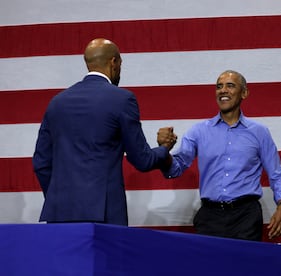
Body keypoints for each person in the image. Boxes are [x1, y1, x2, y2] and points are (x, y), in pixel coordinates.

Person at [33, 38, 177, 226]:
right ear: (114, 62)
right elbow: (142, 160)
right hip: (104, 214)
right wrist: (164, 148)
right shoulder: (121, 99)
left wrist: (59, 198)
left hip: (60, 214)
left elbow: (41, 163)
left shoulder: (57, 103)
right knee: (107, 257)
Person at [159, 70, 281, 241]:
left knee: (244, 268)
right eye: (219, 86)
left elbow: (276, 175)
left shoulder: (260, 133)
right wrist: (164, 151)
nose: (223, 90)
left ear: (244, 93)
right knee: (209, 268)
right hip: (209, 218)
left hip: (246, 217)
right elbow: (174, 170)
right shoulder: (198, 131)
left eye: (230, 86)